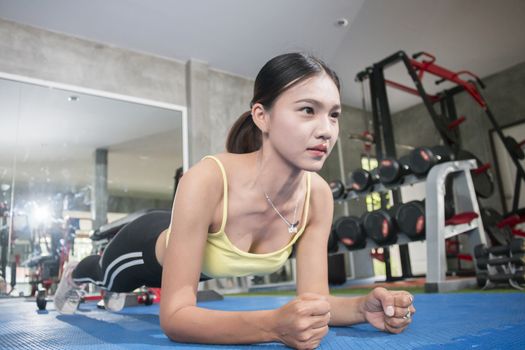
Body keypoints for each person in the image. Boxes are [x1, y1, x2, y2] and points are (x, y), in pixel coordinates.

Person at [54, 52, 415, 349]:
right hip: (144, 249)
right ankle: (77, 273)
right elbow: (176, 318)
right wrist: (273, 325)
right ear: (262, 116)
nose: (326, 130)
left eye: (334, 114)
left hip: (190, 238)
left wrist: (361, 308)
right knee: (106, 276)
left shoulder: (317, 195)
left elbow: (315, 302)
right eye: (308, 110)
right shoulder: (207, 179)